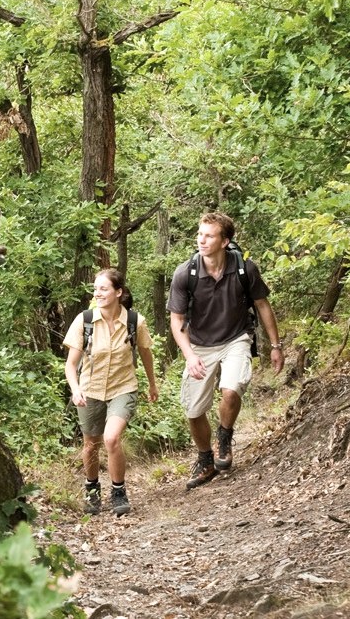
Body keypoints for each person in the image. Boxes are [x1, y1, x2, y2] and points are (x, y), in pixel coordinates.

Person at [168, 213, 283, 490]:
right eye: (199, 234)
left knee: (231, 389)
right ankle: (205, 458)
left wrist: (276, 346)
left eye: (208, 235)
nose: (201, 239)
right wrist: (190, 355)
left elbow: (262, 306)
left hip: (236, 338)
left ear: (224, 241)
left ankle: (224, 437)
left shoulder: (245, 269)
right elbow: (177, 321)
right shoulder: (186, 273)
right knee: (194, 411)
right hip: (199, 344)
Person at [63, 268, 159, 516]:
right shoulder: (84, 321)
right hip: (90, 389)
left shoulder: (134, 322)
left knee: (111, 438)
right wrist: (75, 390)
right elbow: (71, 364)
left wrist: (152, 383)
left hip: (123, 387)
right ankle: (92, 490)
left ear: (119, 292)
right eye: (96, 289)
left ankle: (118, 491)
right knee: (91, 445)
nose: (98, 293)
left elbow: (146, 354)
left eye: (103, 288)